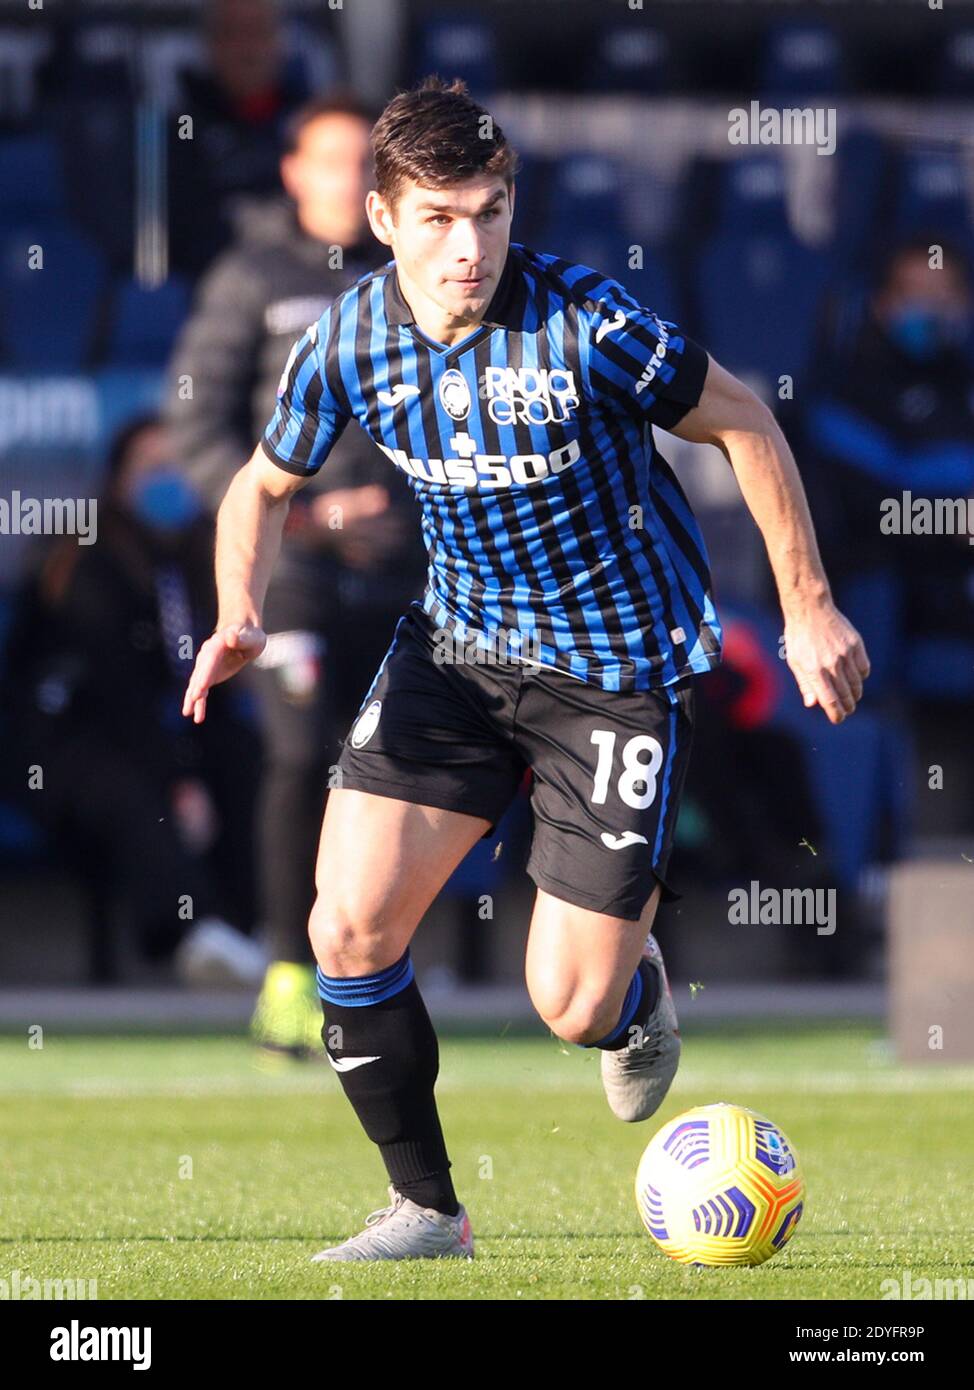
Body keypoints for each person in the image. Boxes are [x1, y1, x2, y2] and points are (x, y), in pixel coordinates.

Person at [181, 76, 870, 1261]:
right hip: (454, 651)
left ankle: (630, 995)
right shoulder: (343, 338)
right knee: (344, 928)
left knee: (569, 1005)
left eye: (490, 213)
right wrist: (238, 608)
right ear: (383, 216)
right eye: (441, 218)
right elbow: (259, 483)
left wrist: (807, 608)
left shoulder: (585, 322)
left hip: (612, 671)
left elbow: (745, 420)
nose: (470, 246)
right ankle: (425, 1210)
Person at [165, 93, 427, 1057]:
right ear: (294, 171)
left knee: (397, 767)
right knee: (295, 757)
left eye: (369, 164)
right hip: (294, 575)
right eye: (333, 161)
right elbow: (198, 431)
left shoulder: (418, 274)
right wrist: (306, 519)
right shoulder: (252, 275)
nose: (352, 180)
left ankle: (374, 963)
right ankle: (286, 967)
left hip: (406, 571)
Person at [1, 417, 265, 986]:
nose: (166, 483)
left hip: (157, 740)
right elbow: (116, 694)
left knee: (243, 755)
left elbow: (199, 685)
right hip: (61, 747)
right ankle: (195, 932)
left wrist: (197, 763)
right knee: (131, 789)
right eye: (150, 470)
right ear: (118, 480)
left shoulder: (196, 561)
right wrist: (179, 780)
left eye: (176, 470)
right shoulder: (85, 559)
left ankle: (258, 929)